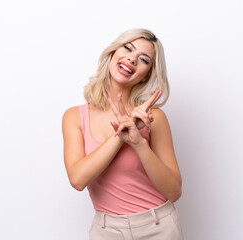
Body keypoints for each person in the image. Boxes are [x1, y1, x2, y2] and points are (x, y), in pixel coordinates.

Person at [62, 28, 183, 240]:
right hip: (107, 231)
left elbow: (174, 192)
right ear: (113, 52)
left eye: (143, 59)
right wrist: (120, 134)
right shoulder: (74, 116)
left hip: (158, 227)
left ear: (146, 75)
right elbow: (78, 180)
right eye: (127, 48)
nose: (131, 59)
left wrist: (138, 142)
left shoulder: (154, 118)